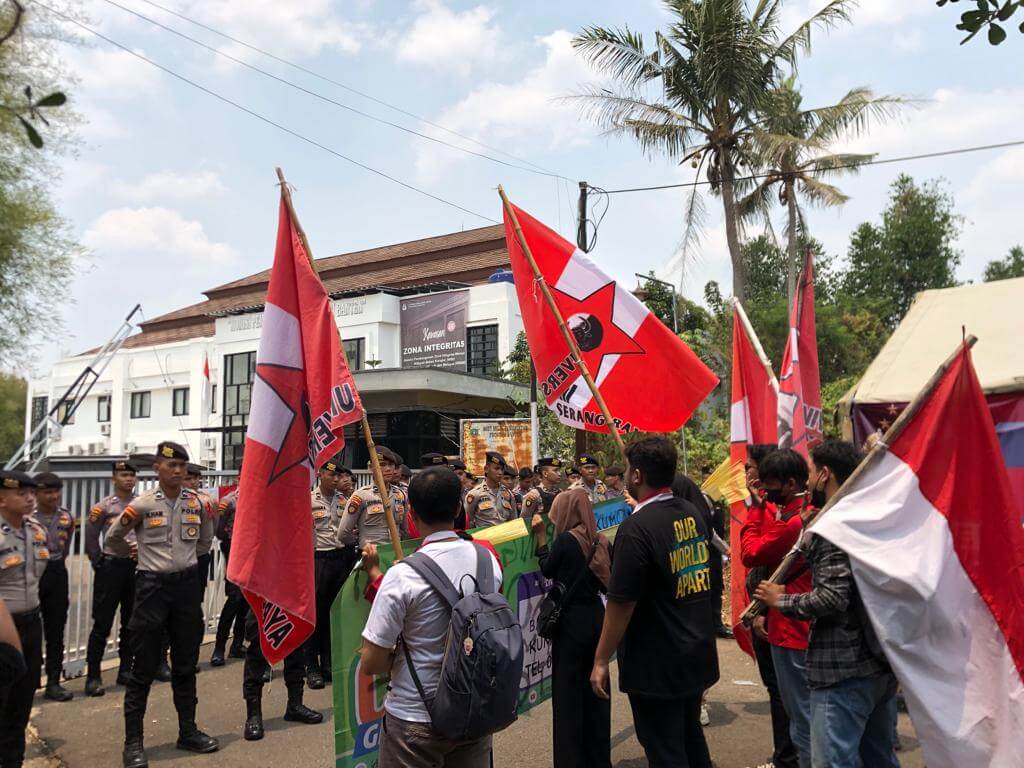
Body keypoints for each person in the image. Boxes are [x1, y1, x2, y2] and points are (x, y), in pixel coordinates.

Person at [755, 440, 899, 768]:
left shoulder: (835, 526)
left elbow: (833, 597)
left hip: (841, 671)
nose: (805, 484)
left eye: (809, 473)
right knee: (879, 758)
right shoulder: (871, 515)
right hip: (879, 664)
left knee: (833, 761)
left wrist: (781, 600)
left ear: (824, 475)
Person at [359, 466, 503, 768]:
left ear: (411, 512)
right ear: (458, 507)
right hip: (474, 708)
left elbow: (371, 662)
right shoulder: (488, 559)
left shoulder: (402, 575)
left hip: (415, 720)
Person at [590, 437, 718, 768]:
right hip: (693, 652)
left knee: (664, 749)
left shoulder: (636, 528)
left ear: (635, 475)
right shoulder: (691, 512)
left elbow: (620, 603)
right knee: (690, 738)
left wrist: (602, 658)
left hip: (657, 662)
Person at [105, 441, 219, 768]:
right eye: (172, 466)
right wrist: (133, 552)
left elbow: (204, 541)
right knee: (143, 667)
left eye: (183, 466)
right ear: (157, 468)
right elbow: (114, 537)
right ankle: (134, 743)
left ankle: (188, 731)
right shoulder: (140, 506)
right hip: (151, 588)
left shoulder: (198, 504)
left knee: (185, 664)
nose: (179, 471)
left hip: (184, 587)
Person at [741, 448, 813, 768]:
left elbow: (751, 552)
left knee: (800, 716)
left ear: (791, 482)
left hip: (790, 629)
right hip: (789, 623)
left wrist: (755, 513)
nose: (763, 491)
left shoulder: (796, 522)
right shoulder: (802, 512)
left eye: (768, 484)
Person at [531, 488, 611, 768]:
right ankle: (598, 759)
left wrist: (541, 538)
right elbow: (606, 581)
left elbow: (547, 569)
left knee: (568, 696)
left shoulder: (565, 540)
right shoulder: (600, 541)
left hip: (572, 624)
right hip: (597, 619)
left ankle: (570, 760)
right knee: (597, 689)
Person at [0, 470, 46, 768]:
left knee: (21, 702)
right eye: (22, 493)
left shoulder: (35, 530)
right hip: (4, 630)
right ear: (2, 499)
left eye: (32, 493)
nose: (30, 498)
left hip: (31, 624)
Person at [84, 460, 139, 696]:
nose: (128, 479)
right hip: (111, 567)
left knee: (131, 622)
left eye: (131, 475)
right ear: (113, 479)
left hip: (136, 568)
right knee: (102, 623)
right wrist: (100, 563)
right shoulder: (103, 507)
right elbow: (90, 538)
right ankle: (93, 676)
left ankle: (125, 670)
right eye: (123, 474)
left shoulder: (142, 504)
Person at [305, 459, 353, 689]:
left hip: (339, 559)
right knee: (316, 616)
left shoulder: (344, 500)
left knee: (334, 614)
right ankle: (311, 667)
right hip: (318, 559)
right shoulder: (309, 500)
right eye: (331, 475)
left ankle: (328, 664)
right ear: (320, 474)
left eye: (338, 476)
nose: (336, 479)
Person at [31, 472, 75, 702]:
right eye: (47, 491)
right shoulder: (27, 518)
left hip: (57, 572)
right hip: (32, 575)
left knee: (55, 629)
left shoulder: (67, 517)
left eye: (56, 491)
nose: (52, 496)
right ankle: (29, 682)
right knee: (29, 630)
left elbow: (65, 545)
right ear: (36, 493)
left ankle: (54, 682)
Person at [337, 446, 409, 549]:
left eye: (391, 464)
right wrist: (362, 542)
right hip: (370, 555)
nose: (388, 469)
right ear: (371, 467)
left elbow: (404, 530)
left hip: (394, 554)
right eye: (382, 465)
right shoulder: (361, 495)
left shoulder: (401, 494)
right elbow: (343, 534)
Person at [210, 487, 247, 666]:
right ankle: (219, 648)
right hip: (234, 549)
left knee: (246, 601)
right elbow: (219, 529)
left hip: (252, 552)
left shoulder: (259, 496)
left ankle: (237, 645)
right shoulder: (229, 500)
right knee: (234, 599)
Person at [464, 452, 516, 528]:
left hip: (505, 537)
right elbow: (468, 521)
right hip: (483, 538)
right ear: (486, 469)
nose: (500, 473)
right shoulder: (475, 494)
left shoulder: (508, 494)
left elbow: (513, 522)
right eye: (497, 468)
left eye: (502, 469)